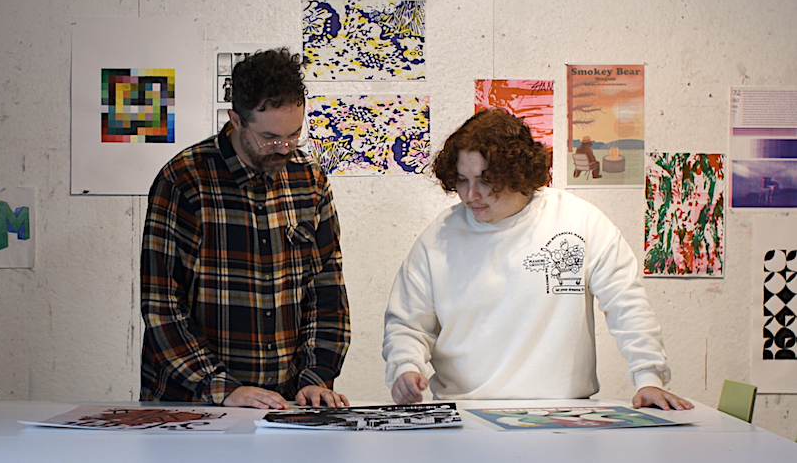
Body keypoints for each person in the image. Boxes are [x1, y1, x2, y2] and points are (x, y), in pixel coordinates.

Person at [382, 109, 692, 411]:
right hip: (466, 414)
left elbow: (627, 303)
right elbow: (408, 322)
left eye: (485, 180)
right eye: (462, 180)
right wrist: (405, 367)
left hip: (563, 416)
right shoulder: (440, 237)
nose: (471, 195)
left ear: (517, 173)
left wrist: (649, 377)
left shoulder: (579, 222)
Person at [140, 48, 350, 410]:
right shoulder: (184, 181)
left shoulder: (309, 179)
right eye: (269, 137)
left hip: (284, 403)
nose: (283, 149)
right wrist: (220, 387)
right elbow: (162, 306)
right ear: (236, 120)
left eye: (294, 134)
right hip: (194, 404)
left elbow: (327, 289)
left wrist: (316, 376)